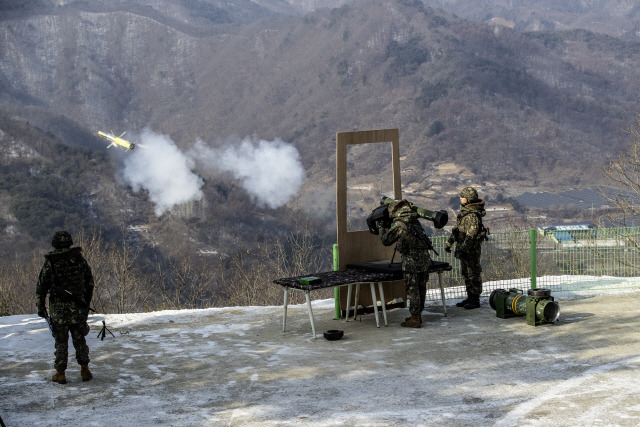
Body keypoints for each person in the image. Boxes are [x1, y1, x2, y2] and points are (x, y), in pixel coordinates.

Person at [36, 231, 95, 384]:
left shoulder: (51, 262)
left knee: (61, 342)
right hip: (78, 308)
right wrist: (85, 302)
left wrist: (41, 307)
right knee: (80, 339)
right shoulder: (79, 260)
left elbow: (42, 286)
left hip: (58, 310)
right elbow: (90, 282)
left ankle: (60, 373)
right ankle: (85, 370)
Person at [380, 200, 432, 328]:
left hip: (411, 260)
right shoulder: (415, 221)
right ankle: (417, 315)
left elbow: (386, 240)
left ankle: (415, 318)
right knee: (421, 287)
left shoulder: (400, 224)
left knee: (412, 288)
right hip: (424, 259)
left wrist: (381, 228)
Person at [445, 187, 487, 309]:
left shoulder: (472, 215)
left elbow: (471, 235)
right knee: (466, 273)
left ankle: (475, 299)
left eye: (462, 197)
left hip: (471, 250)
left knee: (473, 273)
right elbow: (457, 230)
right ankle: (470, 297)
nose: (460, 198)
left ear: (468, 200)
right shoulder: (465, 213)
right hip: (463, 248)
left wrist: (463, 248)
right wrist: (450, 242)